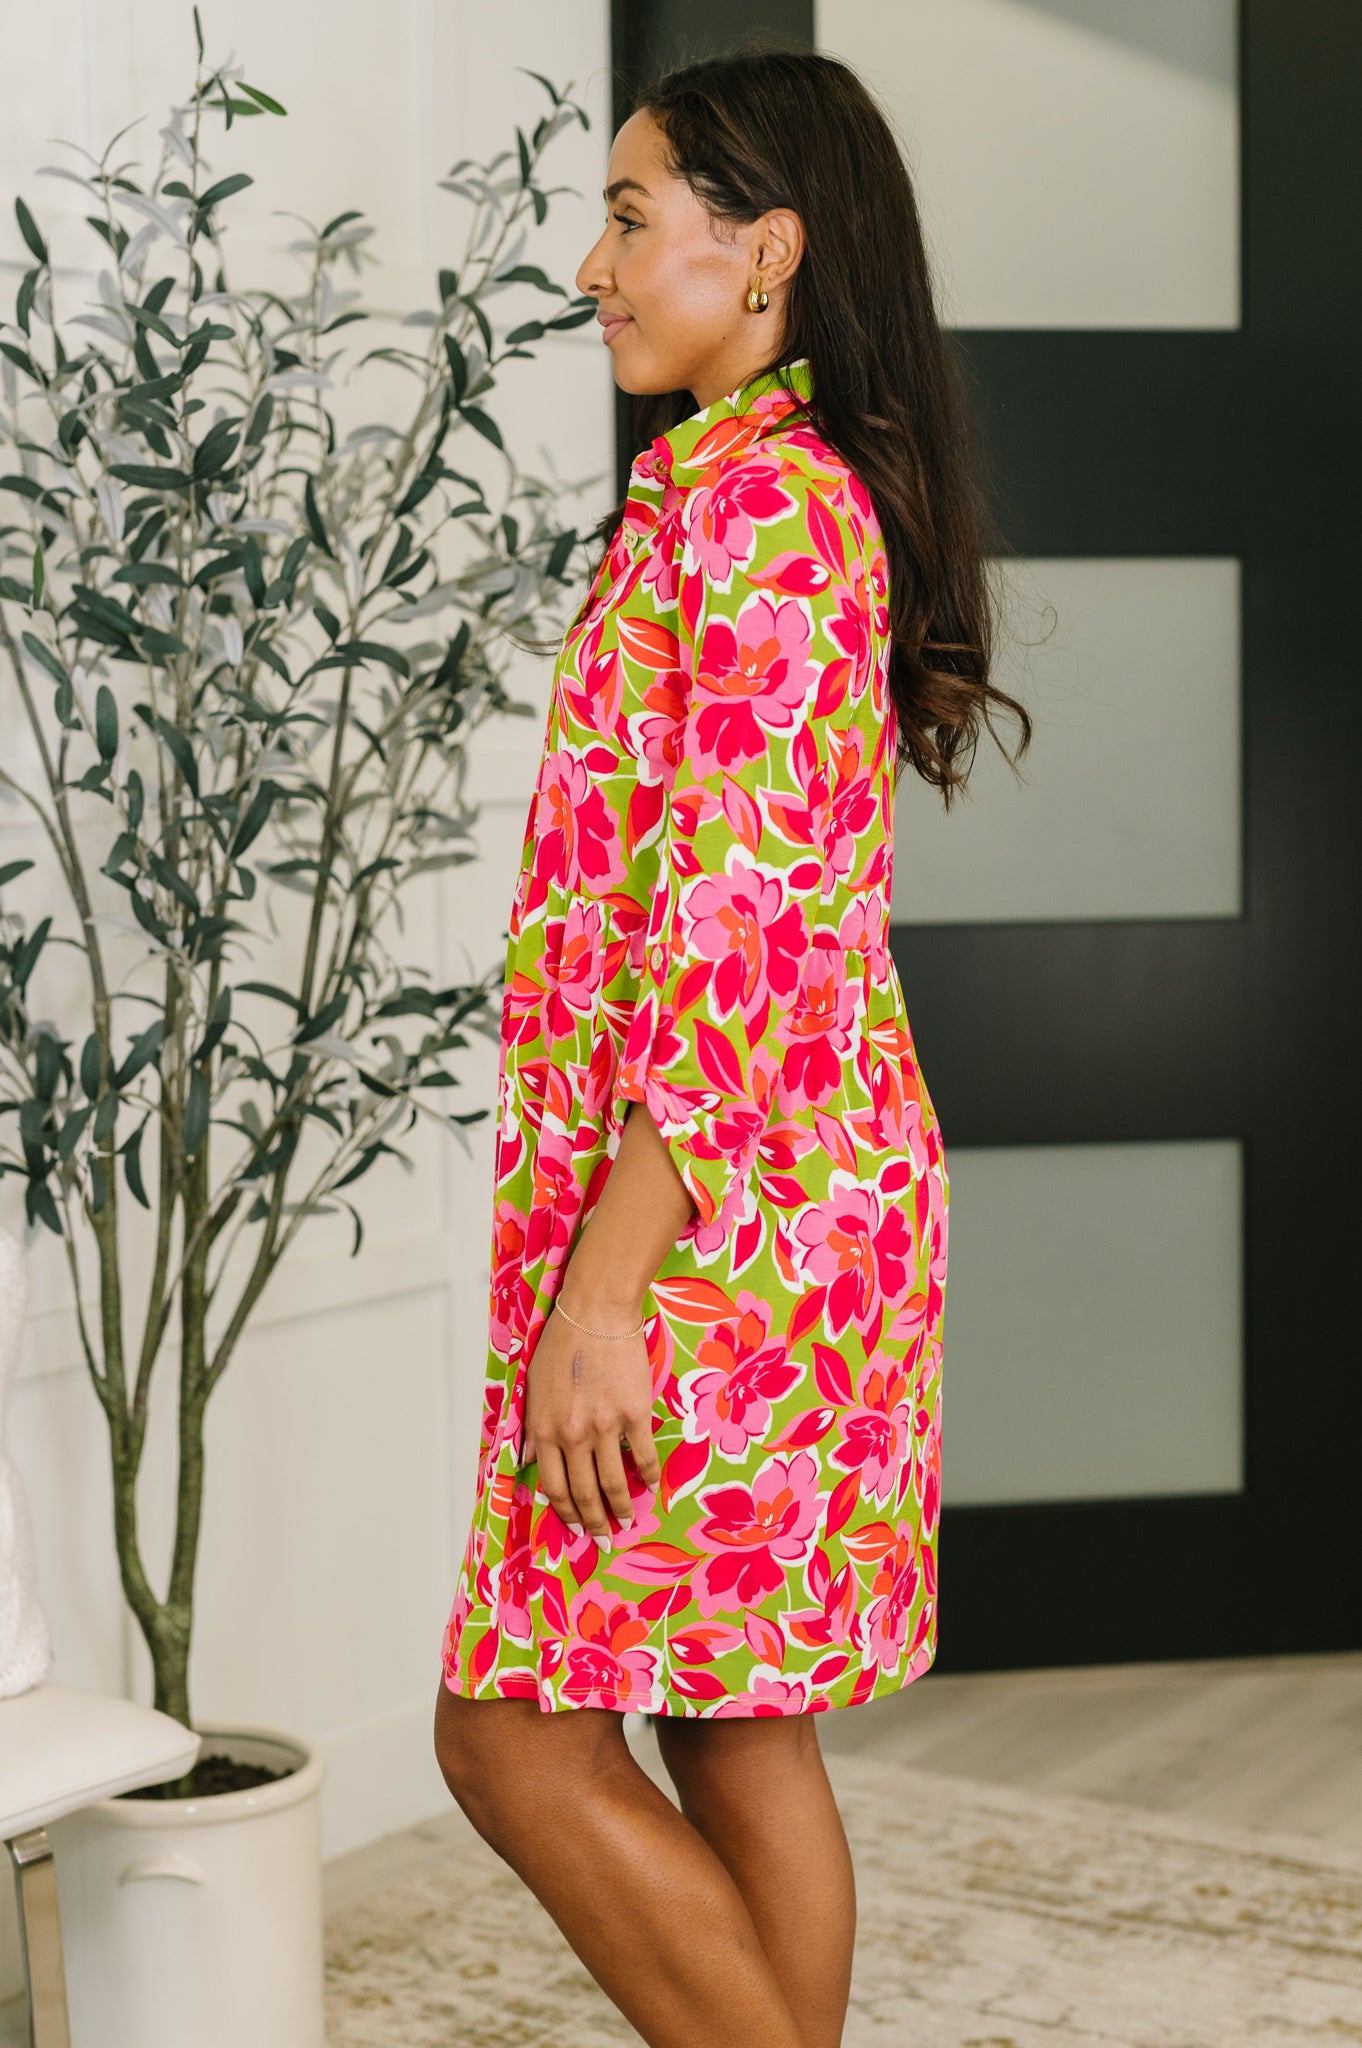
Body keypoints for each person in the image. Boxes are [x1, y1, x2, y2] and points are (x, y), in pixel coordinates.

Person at [433, 41, 1031, 2048]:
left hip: (718, 1228)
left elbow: (739, 945)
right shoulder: (725, 496)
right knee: (730, 1715)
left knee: (512, 1735)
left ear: (763, 251)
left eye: (630, 217)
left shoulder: (770, 517)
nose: (592, 266)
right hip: (753, 1201)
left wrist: (606, 1289)